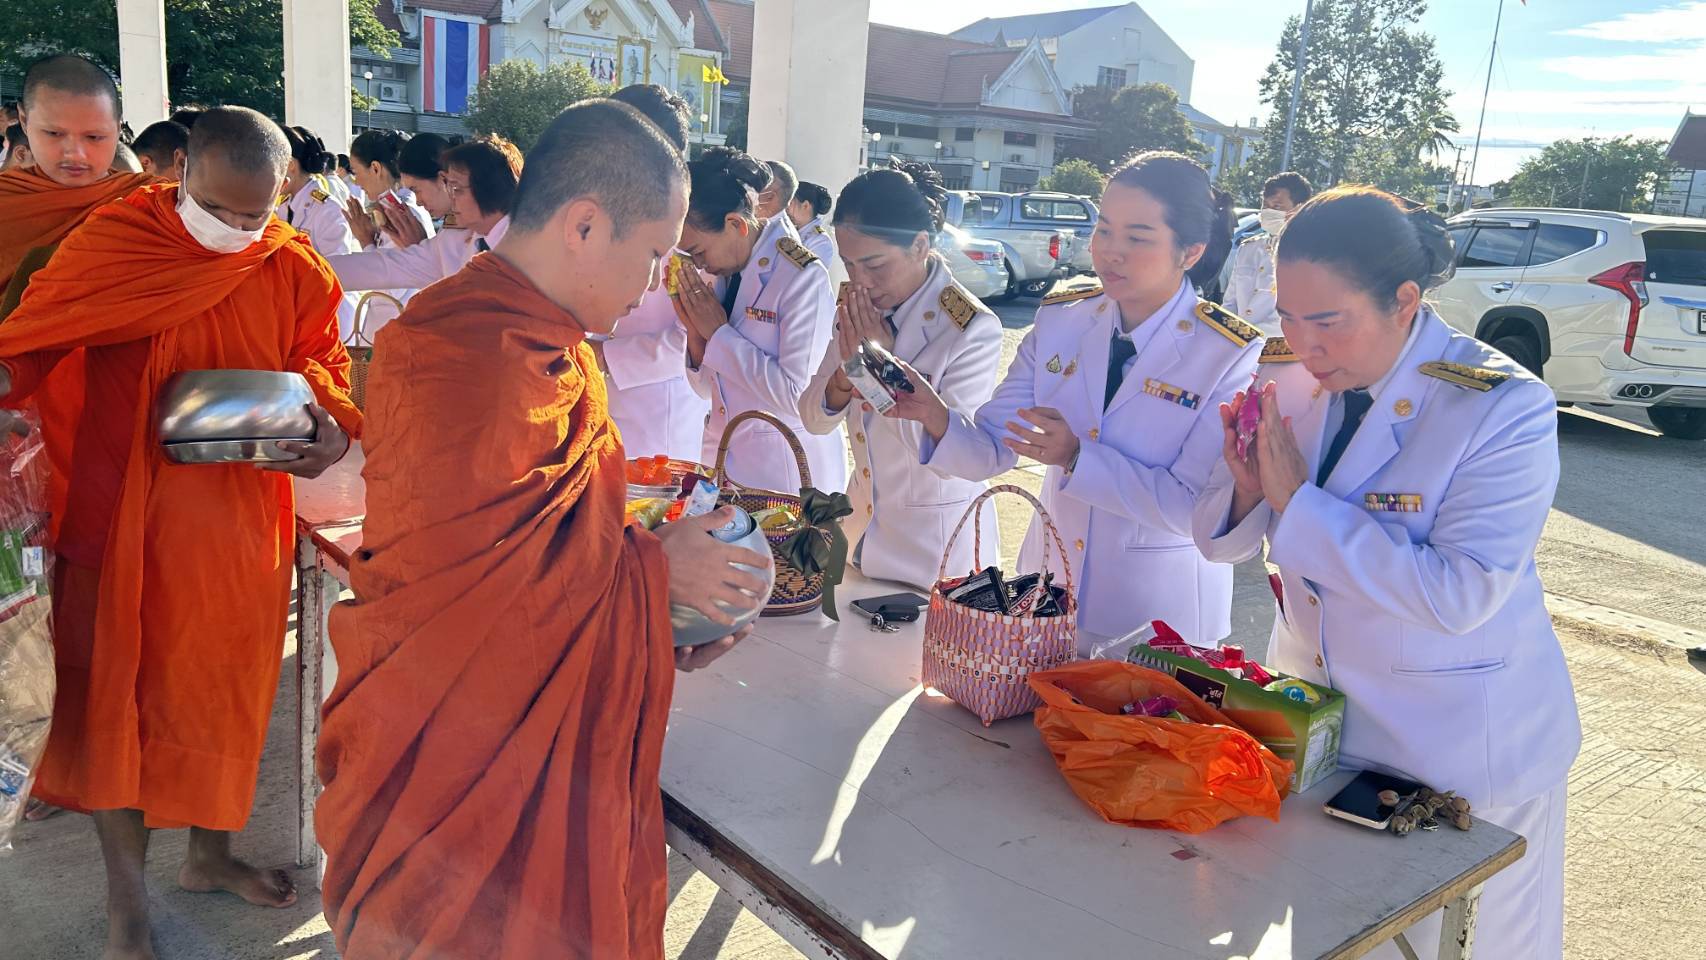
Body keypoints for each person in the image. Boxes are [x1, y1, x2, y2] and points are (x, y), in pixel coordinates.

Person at [317, 98, 767, 960]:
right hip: (457, 758)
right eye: (653, 256)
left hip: (515, 717)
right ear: (586, 225)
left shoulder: (545, 343)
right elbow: (479, 608)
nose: (653, 285)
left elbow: (544, 550)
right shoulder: (476, 357)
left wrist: (655, 628)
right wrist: (654, 581)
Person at [0, 104, 361, 960]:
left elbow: (323, 364)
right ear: (180, 177)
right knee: (115, 708)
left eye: (256, 213)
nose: (238, 230)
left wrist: (329, 432)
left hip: (237, 521)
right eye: (220, 209)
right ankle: (128, 906)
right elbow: (32, 340)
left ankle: (209, 855)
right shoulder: (116, 241)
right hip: (119, 511)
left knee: (219, 695)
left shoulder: (291, 261)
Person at [1191, 186, 1579, 959]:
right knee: (1333, 934)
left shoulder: (1500, 406)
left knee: (1459, 942)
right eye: (1289, 315)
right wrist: (1244, 488)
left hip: (1459, 745)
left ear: (1405, 300)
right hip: (1322, 725)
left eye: (1328, 320)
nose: (1303, 343)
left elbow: (1460, 591)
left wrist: (1293, 502)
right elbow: (1223, 544)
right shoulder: (1291, 375)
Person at [888, 151, 1252, 646]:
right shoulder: (1063, 320)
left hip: (1160, 619)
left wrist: (1077, 457)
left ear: (1189, 252)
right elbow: (995, 446)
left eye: (1137, 238)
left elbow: (1195, 508)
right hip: (1050, 594)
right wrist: (935, 416)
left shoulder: (1228, 353)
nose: (1110, 251)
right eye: (1104, 230)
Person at [799, 161, 1003, 589]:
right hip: (860, 541)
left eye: (875, 264)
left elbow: (960, 459)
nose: (861, 281)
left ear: (920, 246)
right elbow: (814, 421)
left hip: (935, 558)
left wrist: (881, 366)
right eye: (850, 265)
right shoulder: (858, 307)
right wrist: (843, 378)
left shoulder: (967, 328)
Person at [675, 146, 847, 494]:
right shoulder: (722, 272)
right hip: (726, 462)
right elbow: (709, 390)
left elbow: (797, 394)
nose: (700, 264)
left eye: (698, 252)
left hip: (783, 474)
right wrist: (696, 339)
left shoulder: (800, 277)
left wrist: (718, 334)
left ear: (736, 225)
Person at [593, 83, 708, 462]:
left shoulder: (691, 224)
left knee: (653, 514)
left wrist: (606, 357)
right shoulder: (605, 204)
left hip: (659, 407)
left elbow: (693, 336)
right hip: (597, 392)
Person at [323, 136, 516, 302]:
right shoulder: (451, 239)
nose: (452, 197)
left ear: (486, 188)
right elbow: (382, 268)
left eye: (456, 188)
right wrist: (302, 267)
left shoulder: (531, 242)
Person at [334, 130, 436, 341]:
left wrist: (367, 243)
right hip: (388, 331)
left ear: (375, 168)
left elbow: (398, 284)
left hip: (398, 334)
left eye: (356, 171)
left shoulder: (402, 211)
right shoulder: (393, 207)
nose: (357, 182)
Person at [1224, 171, 1313, 336]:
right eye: (1265, 205)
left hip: (1279, 350)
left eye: (1277, 206)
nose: (1267, 211)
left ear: (1299, 209)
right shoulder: (1248, 249)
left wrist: (1248, 336)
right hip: (1240, 346)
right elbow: (1230, 303)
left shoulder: (1310, 255)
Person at [788, 179, 835, 263]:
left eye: (790, 203)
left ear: (805, 205)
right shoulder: (791, 231)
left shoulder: (820, 240)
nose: (786, 209)